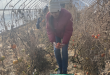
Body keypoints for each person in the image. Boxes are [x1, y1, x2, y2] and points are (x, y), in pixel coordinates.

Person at [45, 0, 73, 74]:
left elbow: (68, 30)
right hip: (56, 34)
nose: (54, 14)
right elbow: (49, 29)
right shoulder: (48, 16)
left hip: (64, 34)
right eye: (52, 12)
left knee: (64, 51)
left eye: (56, 12)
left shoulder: (67, 15)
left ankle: (65, 69)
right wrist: (53, 41)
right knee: (56, 50)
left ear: (59, 9)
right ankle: (60, 68)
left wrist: (64, 42)